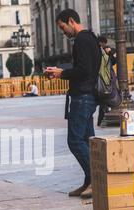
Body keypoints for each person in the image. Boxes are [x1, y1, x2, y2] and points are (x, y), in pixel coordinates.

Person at [44, 9, 101, 199]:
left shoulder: (82, 40)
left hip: (82, 97)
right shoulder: (91, 38)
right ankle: (89, 181)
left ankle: (95, 179)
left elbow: (83, 70)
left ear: (70, 21)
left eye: (62, 27)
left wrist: (61, 73)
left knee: (75, 141)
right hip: (87, 96)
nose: (63, 32)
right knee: (88, 141)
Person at [97, 35, 117, 126]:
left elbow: (113, 62)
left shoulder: (105, 50)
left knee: (104, 101)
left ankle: (101, 120)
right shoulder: (98, 51)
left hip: (105, 78)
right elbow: (111, 62)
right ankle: (101, 120)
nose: (104, 45)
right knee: (104, 99)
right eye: (103, 43)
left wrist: (109, 53)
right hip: (102, 79)